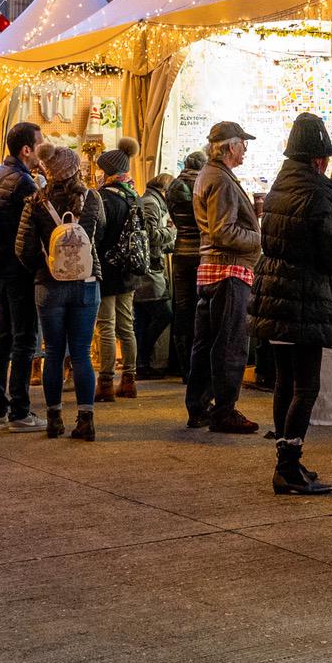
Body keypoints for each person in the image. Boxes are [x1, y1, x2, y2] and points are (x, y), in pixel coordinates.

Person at [252, 113, 332, 496]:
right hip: (303, 299)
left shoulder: (279, 185)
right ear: (317, 158)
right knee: (307, 386)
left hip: (273, 294)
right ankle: (287, 467)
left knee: (285, 381)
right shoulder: (317, 189)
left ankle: (288, 462)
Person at [16, 143, 103, 440]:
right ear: (75, 168)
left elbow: (22, 248)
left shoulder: (35, 201)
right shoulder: (93, 199)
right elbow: (100, 235)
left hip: (49, 284)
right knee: (81, 353)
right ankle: (86, 419)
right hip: (87, 282)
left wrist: (43, 267)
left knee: (53, 351)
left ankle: (54, 418)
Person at [185, 122, 261, 433]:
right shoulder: (221, 179)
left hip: (212, 269)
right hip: (228, 270)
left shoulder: (210, 174)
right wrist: (258, 238)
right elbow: (224, 231)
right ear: (230, 146)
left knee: (206, 343)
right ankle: (224, 410)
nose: (245, 149)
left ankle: (199, 406)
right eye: (243, 143)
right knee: (229, 343)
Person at [0, 123, 43, 430]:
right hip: (18, 270)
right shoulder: (23, 183)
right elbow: (33, 229)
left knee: (2, 340)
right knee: (24, 340)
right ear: (27, 149)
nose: (43, 150)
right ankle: (19, 411)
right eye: (40, 144)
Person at [92, 139, 144, 401]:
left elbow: (97, 235)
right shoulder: (135, 196)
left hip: (107, 269)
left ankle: (105, 383)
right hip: (129, 270)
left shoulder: (103, 198)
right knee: (126, 326)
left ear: (108, 171)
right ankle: (129, 381)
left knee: (106, 327)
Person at [133, 173, 179, 372]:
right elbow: (152, 236)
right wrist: (172, 231)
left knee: (142, 319)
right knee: (164, 314)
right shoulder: (151, 203)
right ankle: (142, 358)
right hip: (149, 271)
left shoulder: (150, 201)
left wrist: (170, 245)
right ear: (164, 190)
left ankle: (141, 364)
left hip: (145, 269)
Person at [166, 150, 204, 379]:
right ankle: (198, 366)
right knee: (201, 308)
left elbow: (173, 218)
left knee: (183, 309)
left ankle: (184, 368)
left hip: (180, 252)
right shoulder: (203, 184)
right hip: (200, 252)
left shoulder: (173, 186)